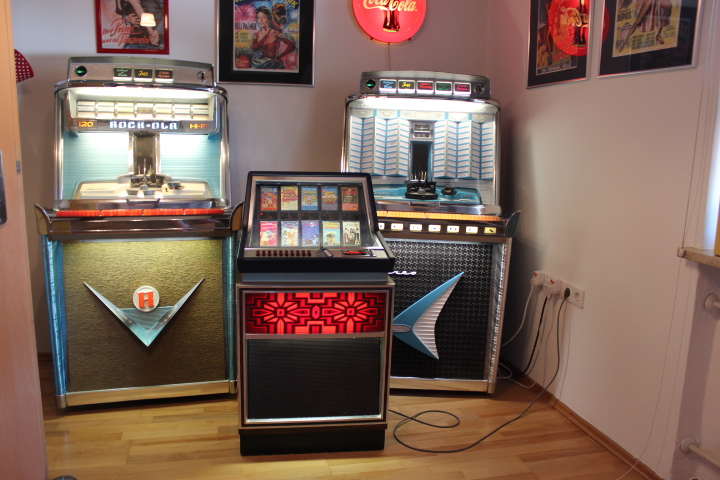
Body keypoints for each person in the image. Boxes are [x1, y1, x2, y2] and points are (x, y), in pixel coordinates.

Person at [251, 5, 296, 70]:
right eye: (258, 17)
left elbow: (292, 46)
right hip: (260, 64)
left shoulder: (275, 33)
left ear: (269, 19)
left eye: (264, 17)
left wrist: (279, 57)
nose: (261, 20)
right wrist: (265, 36)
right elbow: (254, 49)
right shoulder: (257, 35)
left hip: (274, 66)